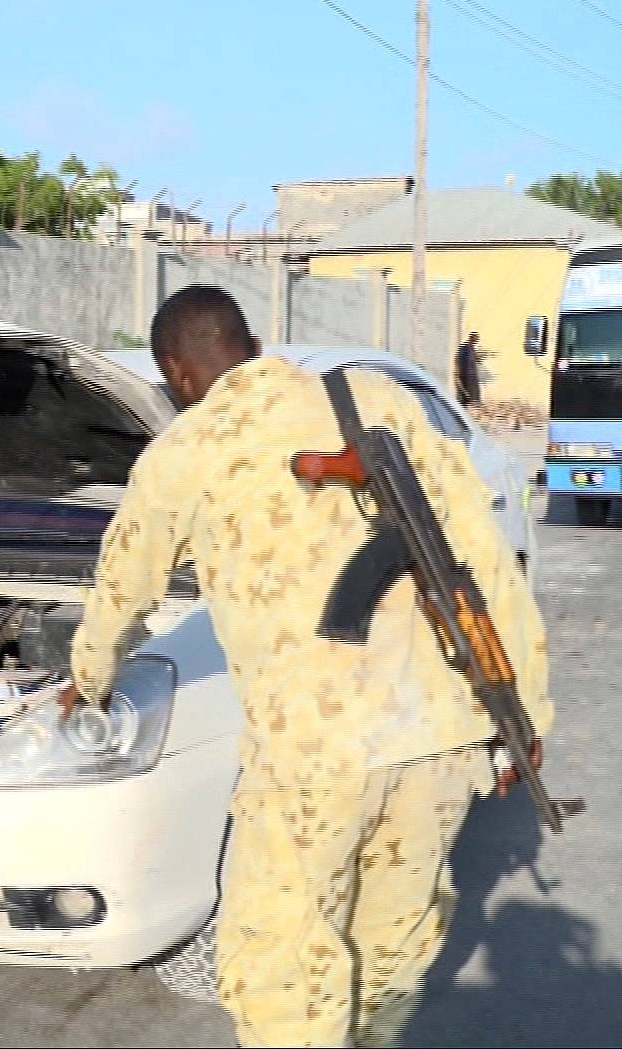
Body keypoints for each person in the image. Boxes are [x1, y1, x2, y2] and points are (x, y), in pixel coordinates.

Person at [69, 285, 551, 1047]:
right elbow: (483, 561)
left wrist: (87, 679)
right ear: (256, 347)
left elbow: (121, 589)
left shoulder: (184, 452)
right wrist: (522, 714)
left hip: (313, 757)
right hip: (438, 739)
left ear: (177, 376)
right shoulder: (377, 400)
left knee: (283, 975)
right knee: (392, 952)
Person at [455, 331, 484, 406]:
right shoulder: (464, 347)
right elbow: (457, 358)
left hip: (472, 372)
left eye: (477, 339)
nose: (476, 341)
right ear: (470, 338)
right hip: (465, 372)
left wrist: (479, 358)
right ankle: (464, 402)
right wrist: (458, 370)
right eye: (475, 339)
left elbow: (475, 358)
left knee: (473, 388)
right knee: (466, 388)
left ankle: (472, 402)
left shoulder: (472, 348)